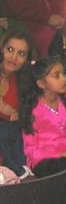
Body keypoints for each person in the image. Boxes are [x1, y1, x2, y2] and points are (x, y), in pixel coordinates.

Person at [20, 57, 66, 178]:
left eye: (64, 73)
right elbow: (31, 149)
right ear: (41, 83)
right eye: (56, 75)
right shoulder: (33, 110)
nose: (64, 79)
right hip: (45, 160)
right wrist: (59, 155)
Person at [0, 30, 33, 177]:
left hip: (12, 142)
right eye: (10, 50)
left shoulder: (24, 84)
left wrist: (18, 116)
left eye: (21, 54)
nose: (13, 57)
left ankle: (21, 169)